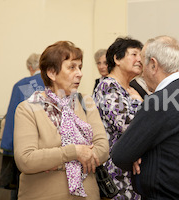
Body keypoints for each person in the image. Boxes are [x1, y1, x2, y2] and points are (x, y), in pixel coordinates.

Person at [111, 35, 179, 199]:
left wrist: (137, 155)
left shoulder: (161, 101)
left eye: (143, 63)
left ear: (153, 64)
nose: (141, 72)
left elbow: (120, 155)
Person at [13, 41, 109, 199]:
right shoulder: (27, 109)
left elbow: (103, 149)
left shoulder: (86, 102)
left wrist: (52, 161)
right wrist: (74, 153)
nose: (79, 73)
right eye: (72, 67)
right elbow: (26, 160)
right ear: (51, 73)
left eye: (80, 67)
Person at [93, 37, 143, 199]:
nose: (139, 60)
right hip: (116, 172)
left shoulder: (129, 88)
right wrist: (138, 102)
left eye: (141, 56)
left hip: (129, 169)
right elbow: (128, 126)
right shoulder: (109, 86)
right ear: (117, 58)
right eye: (134, 54)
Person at [0, 53, 44, 199]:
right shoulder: (53, 82)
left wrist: (9, 147)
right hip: (50, 148)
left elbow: (12, 119)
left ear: (31, 68)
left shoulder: (21, 85)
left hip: (26, 146)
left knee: (20, 187)